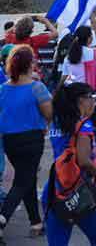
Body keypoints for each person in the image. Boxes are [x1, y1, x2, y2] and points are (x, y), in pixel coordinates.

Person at [44, 81, 96, 246]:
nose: (94, 101)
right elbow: (83, 160)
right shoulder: (84, 125)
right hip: (81, 190)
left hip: (55, 190)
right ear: (81, 101)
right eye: (92, 97)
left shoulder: (57, 122)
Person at [0, 47, 53, 238]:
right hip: (31, 138)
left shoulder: (3, 89)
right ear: (29, 64)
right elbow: (49, 113)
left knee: (27, 178)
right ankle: (2, 217)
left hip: (10, 141)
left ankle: (36, 223)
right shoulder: (36, 87)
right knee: (22, 181)